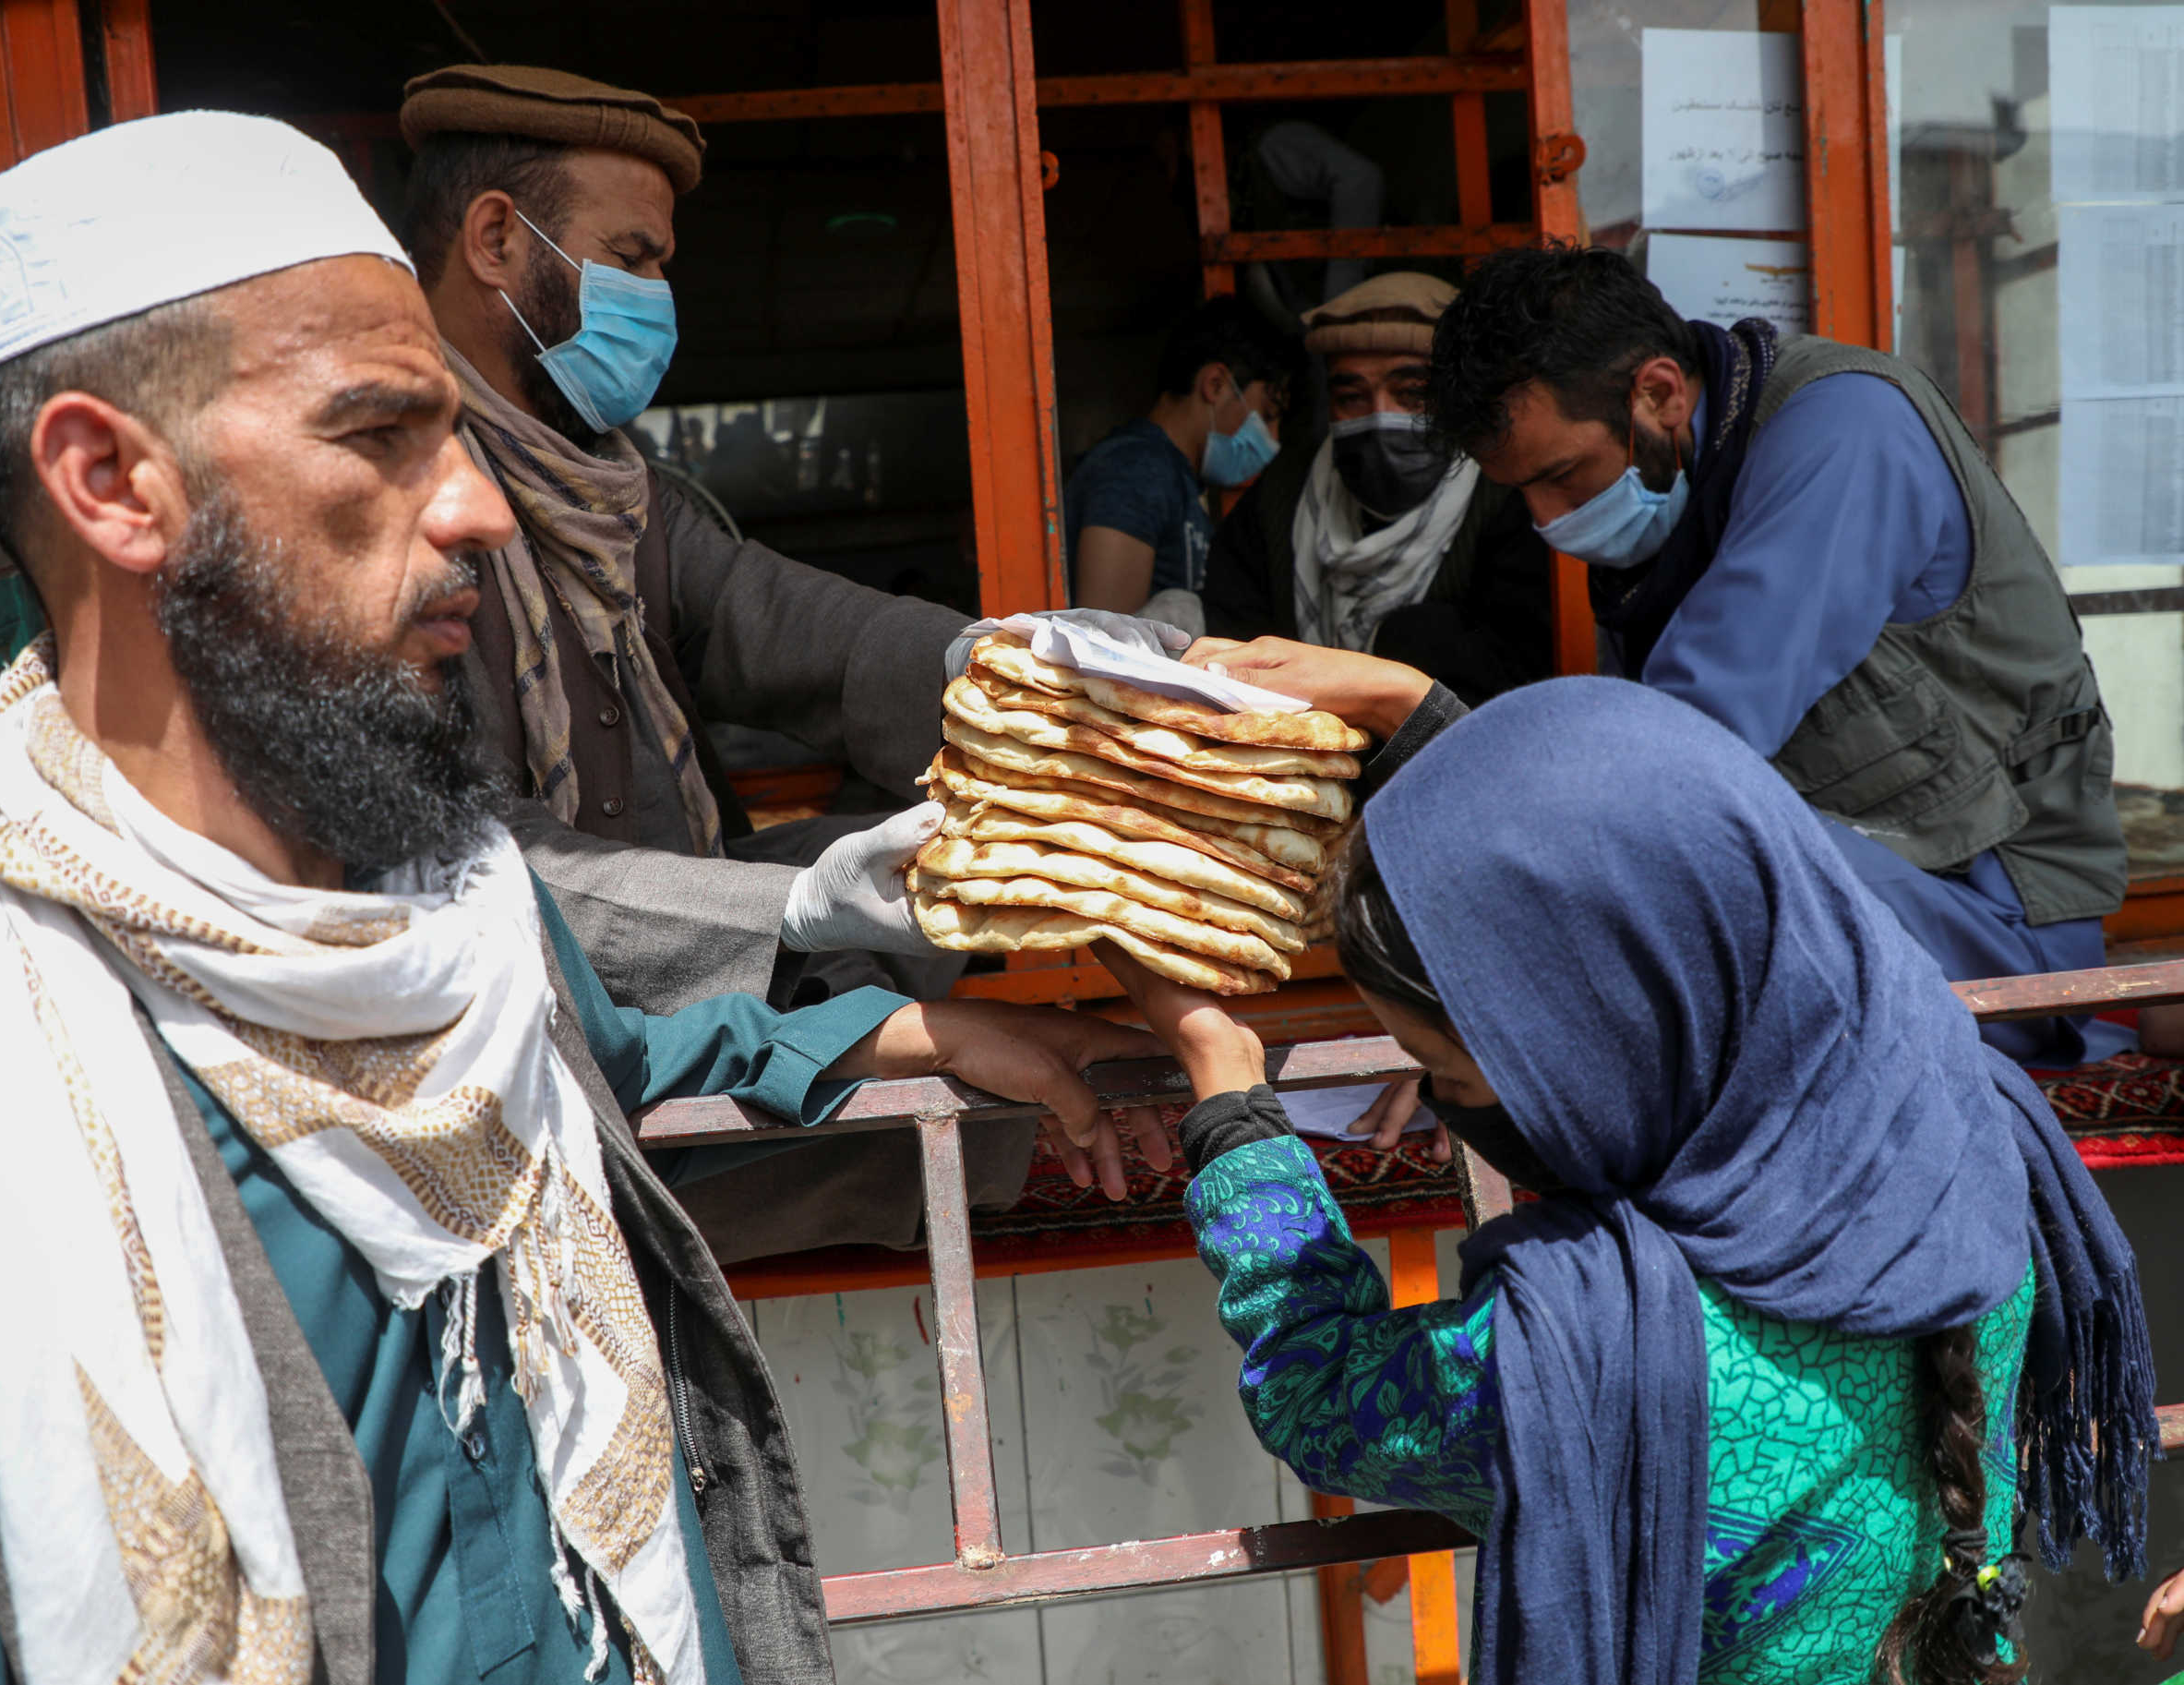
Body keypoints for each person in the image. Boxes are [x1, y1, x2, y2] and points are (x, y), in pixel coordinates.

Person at [0, 111, 1180, 1685]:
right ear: (113, 481)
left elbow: (643, 1041)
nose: (471, 507)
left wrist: (943, 1032)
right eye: (381, 436)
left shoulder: (456, 923)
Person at [1101, 674, 2154, 1684]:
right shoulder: (1960, 1121)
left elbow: (1317, 1389)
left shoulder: (1590, 1342)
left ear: (1597, 1057)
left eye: (1454, 1075)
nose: (1432, 1101)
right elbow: (1647, 845)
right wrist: (1427, 719)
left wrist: (1228, 1091)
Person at [398, 66, 1189, 1256]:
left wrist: (1017, 667)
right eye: (636, 257)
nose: (662, 296)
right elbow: (488, 878)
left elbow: (802, 631)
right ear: (498, 241)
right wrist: (792, 910)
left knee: (925, 856)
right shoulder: (393, 517)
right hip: (525, 1029)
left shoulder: (626, 500)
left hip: (680, 961)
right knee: (889, 1012)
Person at [1422, 242, 2127, 1067]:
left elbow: (1679, 757)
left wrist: (1411, 713)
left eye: (1565, 475)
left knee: (1666, 863)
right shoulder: (1686, 480)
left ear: (1657, 393)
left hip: (1995, 930)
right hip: (1855, 891)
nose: (1548, 519)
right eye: (1524, 493)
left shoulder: (1846, 426)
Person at [1200, 272, 1553, 704]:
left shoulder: (1507, 494)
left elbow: (1525, 671)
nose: (1381, 416)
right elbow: (1232, 645)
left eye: (1411, 394)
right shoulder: (1282, 494)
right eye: (1352, 398)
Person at [1062, 293, 1301, 620]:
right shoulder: (1135, 471)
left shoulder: (1178, 481)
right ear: (1215, 384)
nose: (1272, 438)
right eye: (1268, 414)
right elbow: (1103, 643)